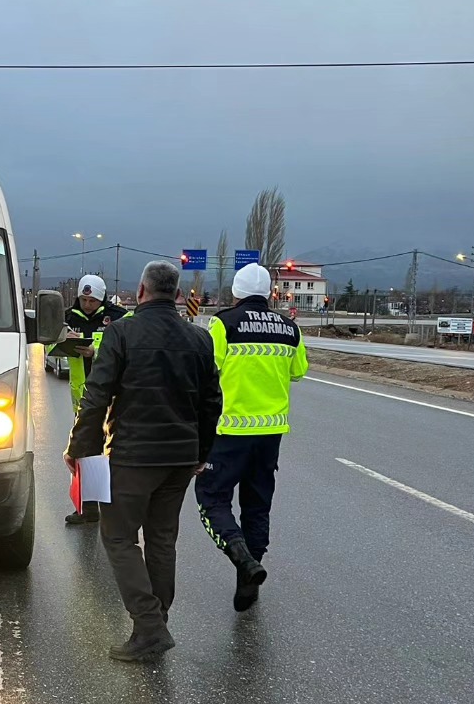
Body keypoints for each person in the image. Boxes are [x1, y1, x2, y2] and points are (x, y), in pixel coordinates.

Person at [65, 261, 223, 662]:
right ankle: (157, 622)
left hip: (134, 456)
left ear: (141, 292)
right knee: (162, 539)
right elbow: (211, 404)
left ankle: (150, 626)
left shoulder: (121, 333)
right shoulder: (199, 340)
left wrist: (80, 449)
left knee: (117, 537)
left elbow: (96, 395)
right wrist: (201, 454)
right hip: (180, 459)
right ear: (176, 293)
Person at [195, 263, 308, 612]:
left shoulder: (223, 324)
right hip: (270, 434)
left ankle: (241, 557)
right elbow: (299, 372)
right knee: (257, 507)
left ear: (235, 292)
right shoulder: (290, 328)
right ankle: (250, 580)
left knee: (211, 500)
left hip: (228, 432)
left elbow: (204, 371)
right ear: (270, 293)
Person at [59, 274, 129, 525]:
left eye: (92, 300)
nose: (87, 304)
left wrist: (94, 352)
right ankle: (87, 509)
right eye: (84, 299)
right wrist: (62, 342)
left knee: (115, 452)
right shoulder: (68, 317)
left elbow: (125, 351)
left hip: (114, 397)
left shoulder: (119, 317)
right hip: (83, 396)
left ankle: (116, 508)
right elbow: (49, 347)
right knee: (84, 453)